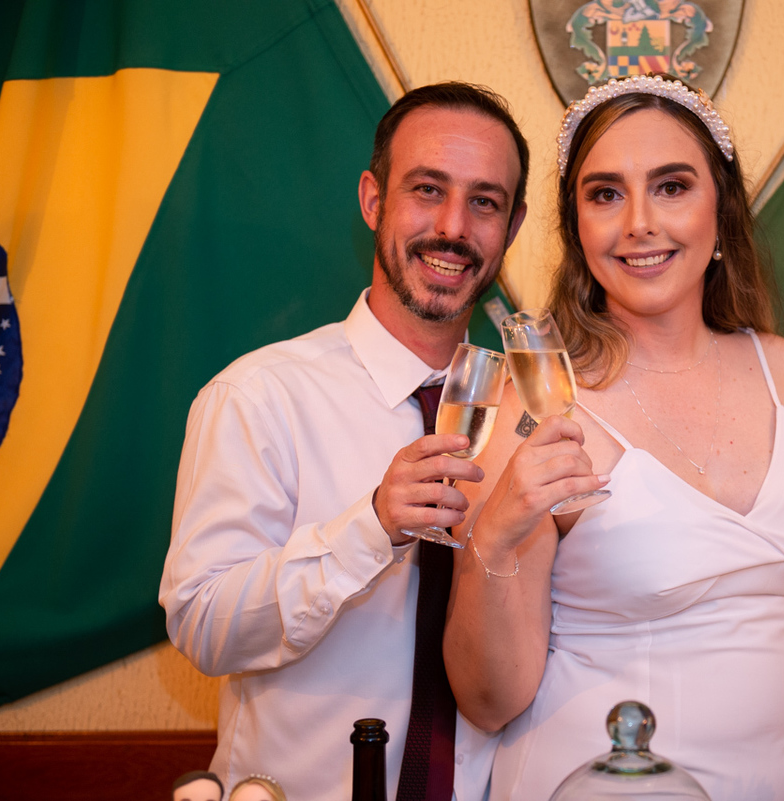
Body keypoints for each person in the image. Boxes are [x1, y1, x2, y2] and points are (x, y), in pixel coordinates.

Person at [444, 74, 784, 801]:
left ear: (722, 211)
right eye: (606, 194)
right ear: (577, 229)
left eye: (671, 187)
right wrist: (495, 533)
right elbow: (489, 701)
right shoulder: (536, 404)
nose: (639, 223)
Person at [159, 82, 529, 801]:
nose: (453, 226)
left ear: (511, 227)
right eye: (428, 189)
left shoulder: (527, 415)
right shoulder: (258, 396)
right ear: (373, 199)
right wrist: (370, 528)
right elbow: (202, 627)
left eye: (484, 202)